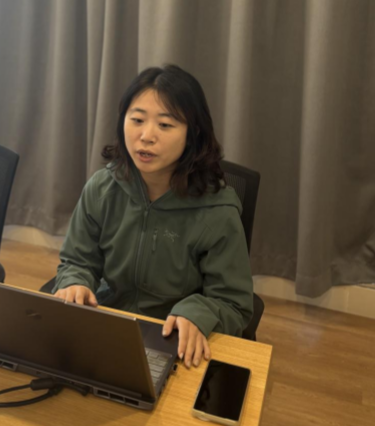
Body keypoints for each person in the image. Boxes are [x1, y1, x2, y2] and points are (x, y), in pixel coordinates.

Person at [53, 64, 254, 369]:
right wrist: (75, 282)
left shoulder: (217, 212)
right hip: (109, 327)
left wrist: (197, 313)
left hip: (175, 342)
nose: (146, 136)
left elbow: (233, 304)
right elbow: (77, 260)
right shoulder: (103, 188)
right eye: (137, 120)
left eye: (165, 125)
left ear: (193, 134)